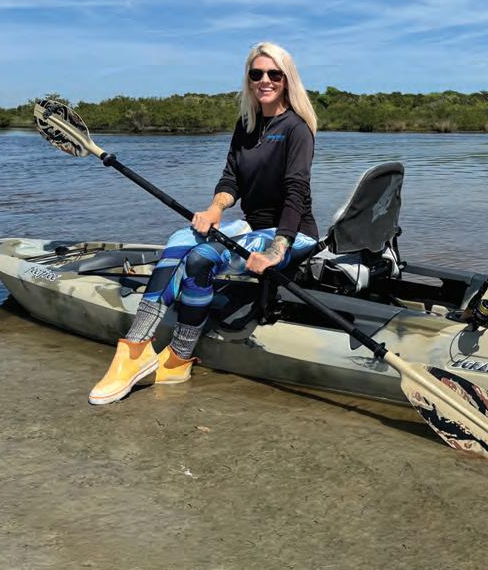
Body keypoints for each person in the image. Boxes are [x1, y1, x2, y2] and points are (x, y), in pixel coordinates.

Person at [89, 41, 320, 405]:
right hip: (252, 227)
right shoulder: (246, 125)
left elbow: (297, 192)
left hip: (295, 234)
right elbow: (231, 179)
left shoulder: (297, 129)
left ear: (287, 79)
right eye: (256, 73)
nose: (265, 80)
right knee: (181, 238)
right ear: (248, 79)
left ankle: (179, 356)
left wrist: (277, 250)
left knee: (201, 259)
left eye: (274, 74)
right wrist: (215, 209)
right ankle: (135, 348)